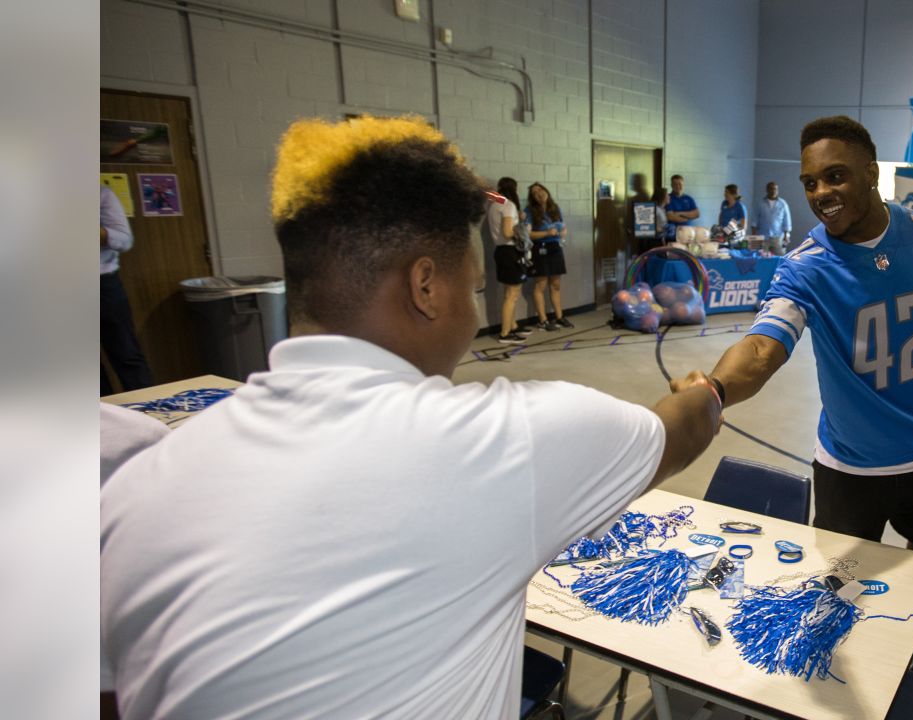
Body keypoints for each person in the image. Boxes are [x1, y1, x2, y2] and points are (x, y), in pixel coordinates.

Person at [100, 115, 723, 720]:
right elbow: (682, 428)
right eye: (475, 289)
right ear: (426, 286)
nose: (474, 310)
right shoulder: (510, 440)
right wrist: (704, 389)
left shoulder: (138, 484)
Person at [672, 115, 913, 668]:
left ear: (871, 173)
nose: (820, 194)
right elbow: (764, 347)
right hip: (850, 466)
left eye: (835, 177)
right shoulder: (805, 267)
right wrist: (714, 388)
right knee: (838, 574)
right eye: (810, 182)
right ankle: (840, 647)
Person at [100, 183, 153, 395]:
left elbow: (124, 240)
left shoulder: (101, 194)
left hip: (102, 284)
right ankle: (101, 422)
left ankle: (150, 415)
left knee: (126, 355)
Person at [525, 182, 573, 330]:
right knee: (541, 284)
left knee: (556, 284)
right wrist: (546, 233)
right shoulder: (529, 211)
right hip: (540, 248)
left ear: (546, 191)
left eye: (540, 189)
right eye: (534, 192)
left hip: (555, 247)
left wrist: (563, 232)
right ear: (532, 198)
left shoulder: (555, 208)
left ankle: (559, 317)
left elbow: (562, 226)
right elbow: (528, 234)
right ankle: (543, 320)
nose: (538, 193)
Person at [487, 176, 529, 344]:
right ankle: (505, 333)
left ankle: (513, 326)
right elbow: (507, 232)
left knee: (510, 294)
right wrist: (523, 229)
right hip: (510, 251)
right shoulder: (509, 205)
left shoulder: (495, 205)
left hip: (501, 251)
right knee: (512, 295)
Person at [753, 181, 792, 255]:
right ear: (767, 190)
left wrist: (786, 235)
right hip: (763, 236)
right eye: (771, 189)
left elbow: (787, 220)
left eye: (775, 189)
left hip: (777, 237)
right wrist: (754, 235)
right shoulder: (760, 203)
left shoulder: (783, 204)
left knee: (779, 259)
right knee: (762, 259)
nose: (773, 191)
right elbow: (755, 219)